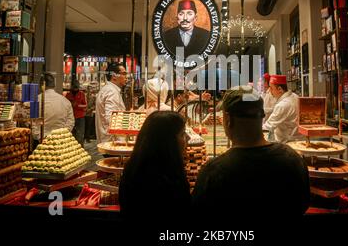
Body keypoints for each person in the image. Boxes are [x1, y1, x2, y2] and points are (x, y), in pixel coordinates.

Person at [192, 85, 310, 220]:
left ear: (227, 119)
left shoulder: (213, 172)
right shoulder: (293, 160)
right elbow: (303, 204)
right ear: (262, 116)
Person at [119, 111, 191, 221]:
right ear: (167, 142)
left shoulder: (134, 167)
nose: (188, 138)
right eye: (182, 134)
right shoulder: (165, 180)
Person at [263, 74, 302, 143]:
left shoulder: (282, 105)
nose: (270, 91)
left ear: (280, 89)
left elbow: (268, 126)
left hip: (287, 142)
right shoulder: (295, 96)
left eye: (271, 88)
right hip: (299, 138)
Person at [95, 63, 127, 143]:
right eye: (123, 74)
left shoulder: (109, 89)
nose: (126, 77)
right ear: (114, 76)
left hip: (108, 139)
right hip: (112, 141)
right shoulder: (111, 91)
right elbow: (112, 119)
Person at [39, 73, 75, 137]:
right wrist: (62, 135)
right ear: (54, 85)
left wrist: (39, 136)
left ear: (42, 85)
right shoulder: (65, 101)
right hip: (60, 140)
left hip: (41, 139)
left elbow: (31, 122)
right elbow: (70, 122)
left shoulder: (36, 100)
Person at [65, 80, 87, 146]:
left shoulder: (82, 94)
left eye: (76, 87)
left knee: (80, 135)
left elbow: (85, 105)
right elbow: (65, 105)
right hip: (70, 117)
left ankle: (80, 149)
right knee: (70, 134)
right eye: (74, 87)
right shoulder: (68, 94)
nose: (75, 89)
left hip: (80, 117)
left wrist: (77, 105)